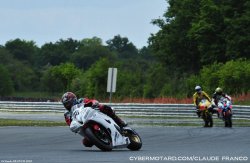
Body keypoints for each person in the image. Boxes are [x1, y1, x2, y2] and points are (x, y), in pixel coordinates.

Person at [61, 92, 127, 147]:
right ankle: (100, 139)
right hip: (81, 123)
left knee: (104, 107)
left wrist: (94, 103)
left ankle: (120, 122)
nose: (67, 105)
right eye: (65, 104)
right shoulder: (67, 113)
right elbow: (69, 123)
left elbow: (90, 101)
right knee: (86, 143)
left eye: (68, 103)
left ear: (73, 99)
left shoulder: (81, 100)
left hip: (92, 113)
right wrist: (73, 126)